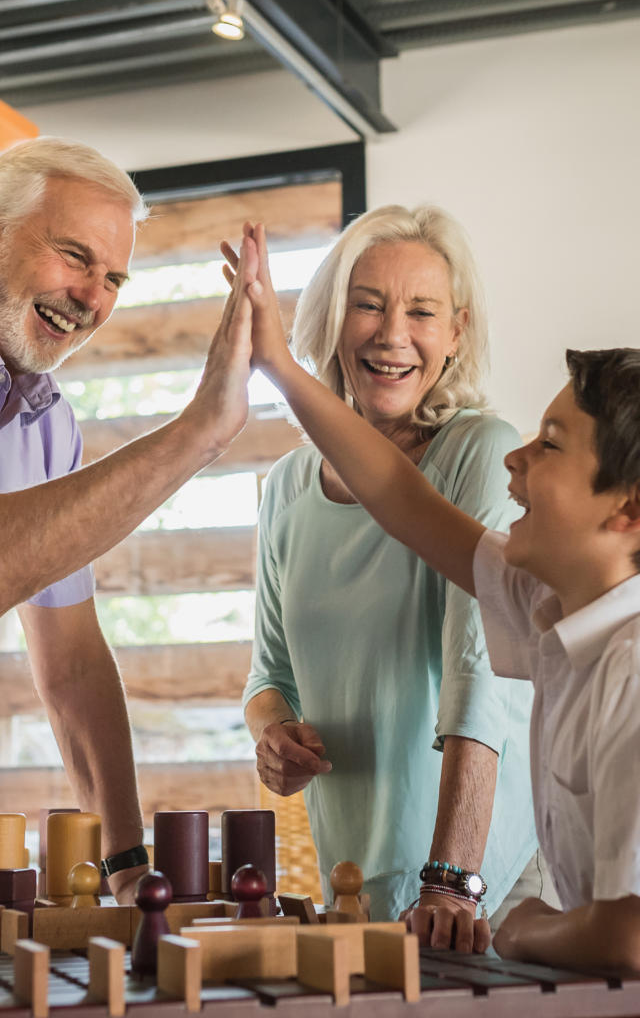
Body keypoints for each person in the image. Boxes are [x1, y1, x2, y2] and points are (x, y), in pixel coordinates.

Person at [239, 227, 640, 972]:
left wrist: (508, 915)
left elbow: (627, 933)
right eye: (367, 305)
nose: (516, 454)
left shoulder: (628, 669)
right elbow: (397, 495)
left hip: (505, 915)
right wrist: (276, 366)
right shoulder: (545, 612)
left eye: (549, 443)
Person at [0, 137, 252, 903]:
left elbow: (71, 662)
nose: (91, 297)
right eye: (74, 256)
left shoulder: (46, 423)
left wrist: (123, 857)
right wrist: (197, 434)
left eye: (112, 278)